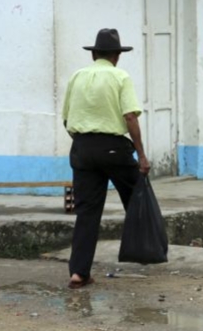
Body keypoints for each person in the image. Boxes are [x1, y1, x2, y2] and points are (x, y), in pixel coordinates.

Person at [62, 28, 151, 289]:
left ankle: (79, 272)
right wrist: (141, 155)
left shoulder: (77, 77)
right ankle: (146, 251)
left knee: (87, 212)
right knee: (137, 196)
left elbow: (67, 120)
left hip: (81, 147)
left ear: (94, 55)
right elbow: (130, 117)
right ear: (116, 56)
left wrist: (85, 144)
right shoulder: (120, 77)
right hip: (114, 148)